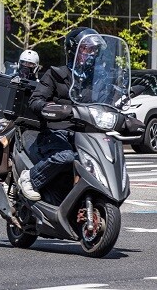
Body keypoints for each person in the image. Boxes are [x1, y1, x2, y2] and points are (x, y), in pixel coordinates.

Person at [16, 27, 101, 201]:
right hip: (55, 132)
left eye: (94, 50)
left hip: (86, 134)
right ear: (73, 50)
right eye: (86, 49)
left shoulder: (96, 80)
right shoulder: (56, 74)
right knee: (68, 156)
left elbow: (109, 100)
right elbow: (35, 100)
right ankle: (30, 177)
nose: (91, 54)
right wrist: (48, 107)